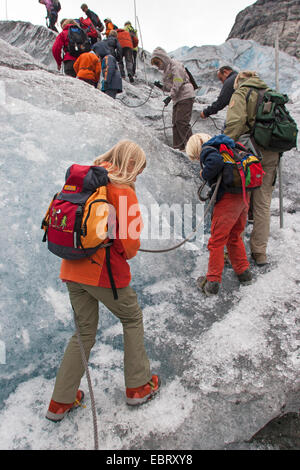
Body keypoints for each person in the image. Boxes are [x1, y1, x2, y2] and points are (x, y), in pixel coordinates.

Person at [46, 140, 160, 421]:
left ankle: (59, 403)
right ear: (131, 164)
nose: (137, 177)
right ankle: (138, 386)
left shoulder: (86, 179)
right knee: (132, 319)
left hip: (71, 268)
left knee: (83, 332)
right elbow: (130, 245)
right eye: (138, 170)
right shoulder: (122, 190)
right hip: (104, 273)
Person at [224, 71, 280, 266]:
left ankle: (231, 251)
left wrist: (225, 145)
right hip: (272, 153)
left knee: (241, 199)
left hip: (249, 154)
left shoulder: (242, 93)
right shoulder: (271, 92)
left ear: (239, 81)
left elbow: (235, 123)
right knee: (263, 203)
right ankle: (260, 253)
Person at [185, 133, 252, 296]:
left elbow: (215, 163)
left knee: (216, 241)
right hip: (243, 197)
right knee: (234, 236)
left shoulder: (208, 150)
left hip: (228, 200)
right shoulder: (228, 146)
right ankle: (244, 273)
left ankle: (212, 282)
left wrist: (204, 174)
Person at [151, 47, 195, 151]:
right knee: (175, 123)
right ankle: (179, 148)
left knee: (182, 122)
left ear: (162, 59)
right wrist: (160, 86)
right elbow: (169, 87)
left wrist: (170, 97)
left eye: (158, 63)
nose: (158, 67)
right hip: (178, 98)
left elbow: (178, 82)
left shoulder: (175, 66)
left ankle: (193, 148)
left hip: (185, 95)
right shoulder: (166, 71)